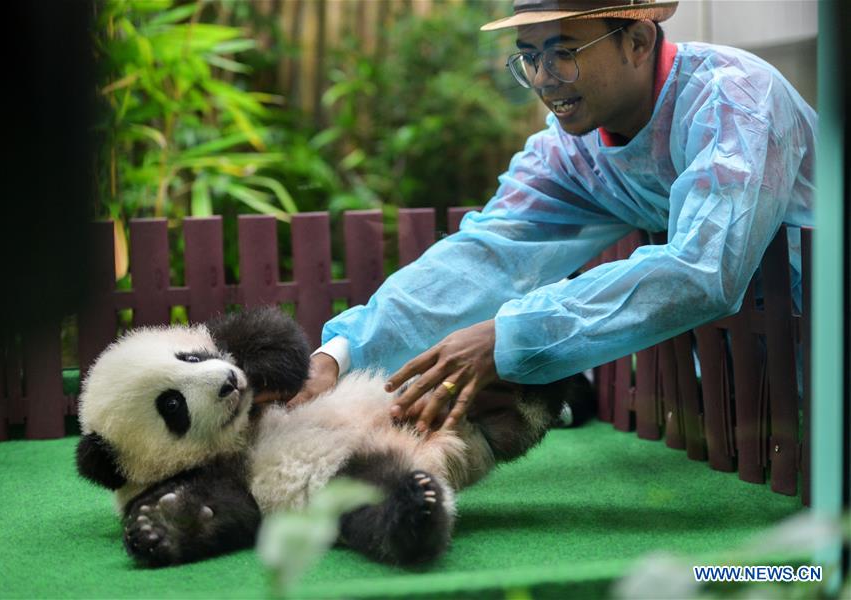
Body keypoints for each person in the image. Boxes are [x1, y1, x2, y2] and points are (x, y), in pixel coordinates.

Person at [287, 0, 816, 432]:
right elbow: (485, 257)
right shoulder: (570, 154)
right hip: (751, 401)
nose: (544, 78)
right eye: (529, 57)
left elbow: (703, 270)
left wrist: (510, 336)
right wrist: (339, 356)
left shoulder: (736, 102)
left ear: (637, 41)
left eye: (564, 51)